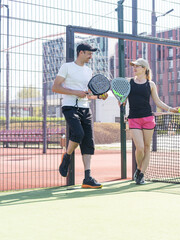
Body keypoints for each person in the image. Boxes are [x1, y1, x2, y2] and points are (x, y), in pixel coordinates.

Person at [52, 43, 108, 189]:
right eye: (89, 53)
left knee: (88, 142)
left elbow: (88, 94)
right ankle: (67, 156)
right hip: (70, 107)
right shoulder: (67, 67)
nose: (91, 56)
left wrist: (99, 96)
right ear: (81, 52)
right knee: (78, 133)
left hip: (85, 108)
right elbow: (56, 87)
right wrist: (75, 92)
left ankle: (87, 178)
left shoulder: (89, 71)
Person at [127, 58, 180, 184]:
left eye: (137, 66)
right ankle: (139, 169)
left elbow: (157, 101)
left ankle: (141, 174)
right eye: (134, 66)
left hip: (148, 118)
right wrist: (121, 101)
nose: (134, 68)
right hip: (133, 118)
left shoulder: (150, 84)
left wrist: (170, 109)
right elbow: (123, 100)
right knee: (139, 147)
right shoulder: (128, 82)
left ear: (144, 68)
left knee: (146, 147)